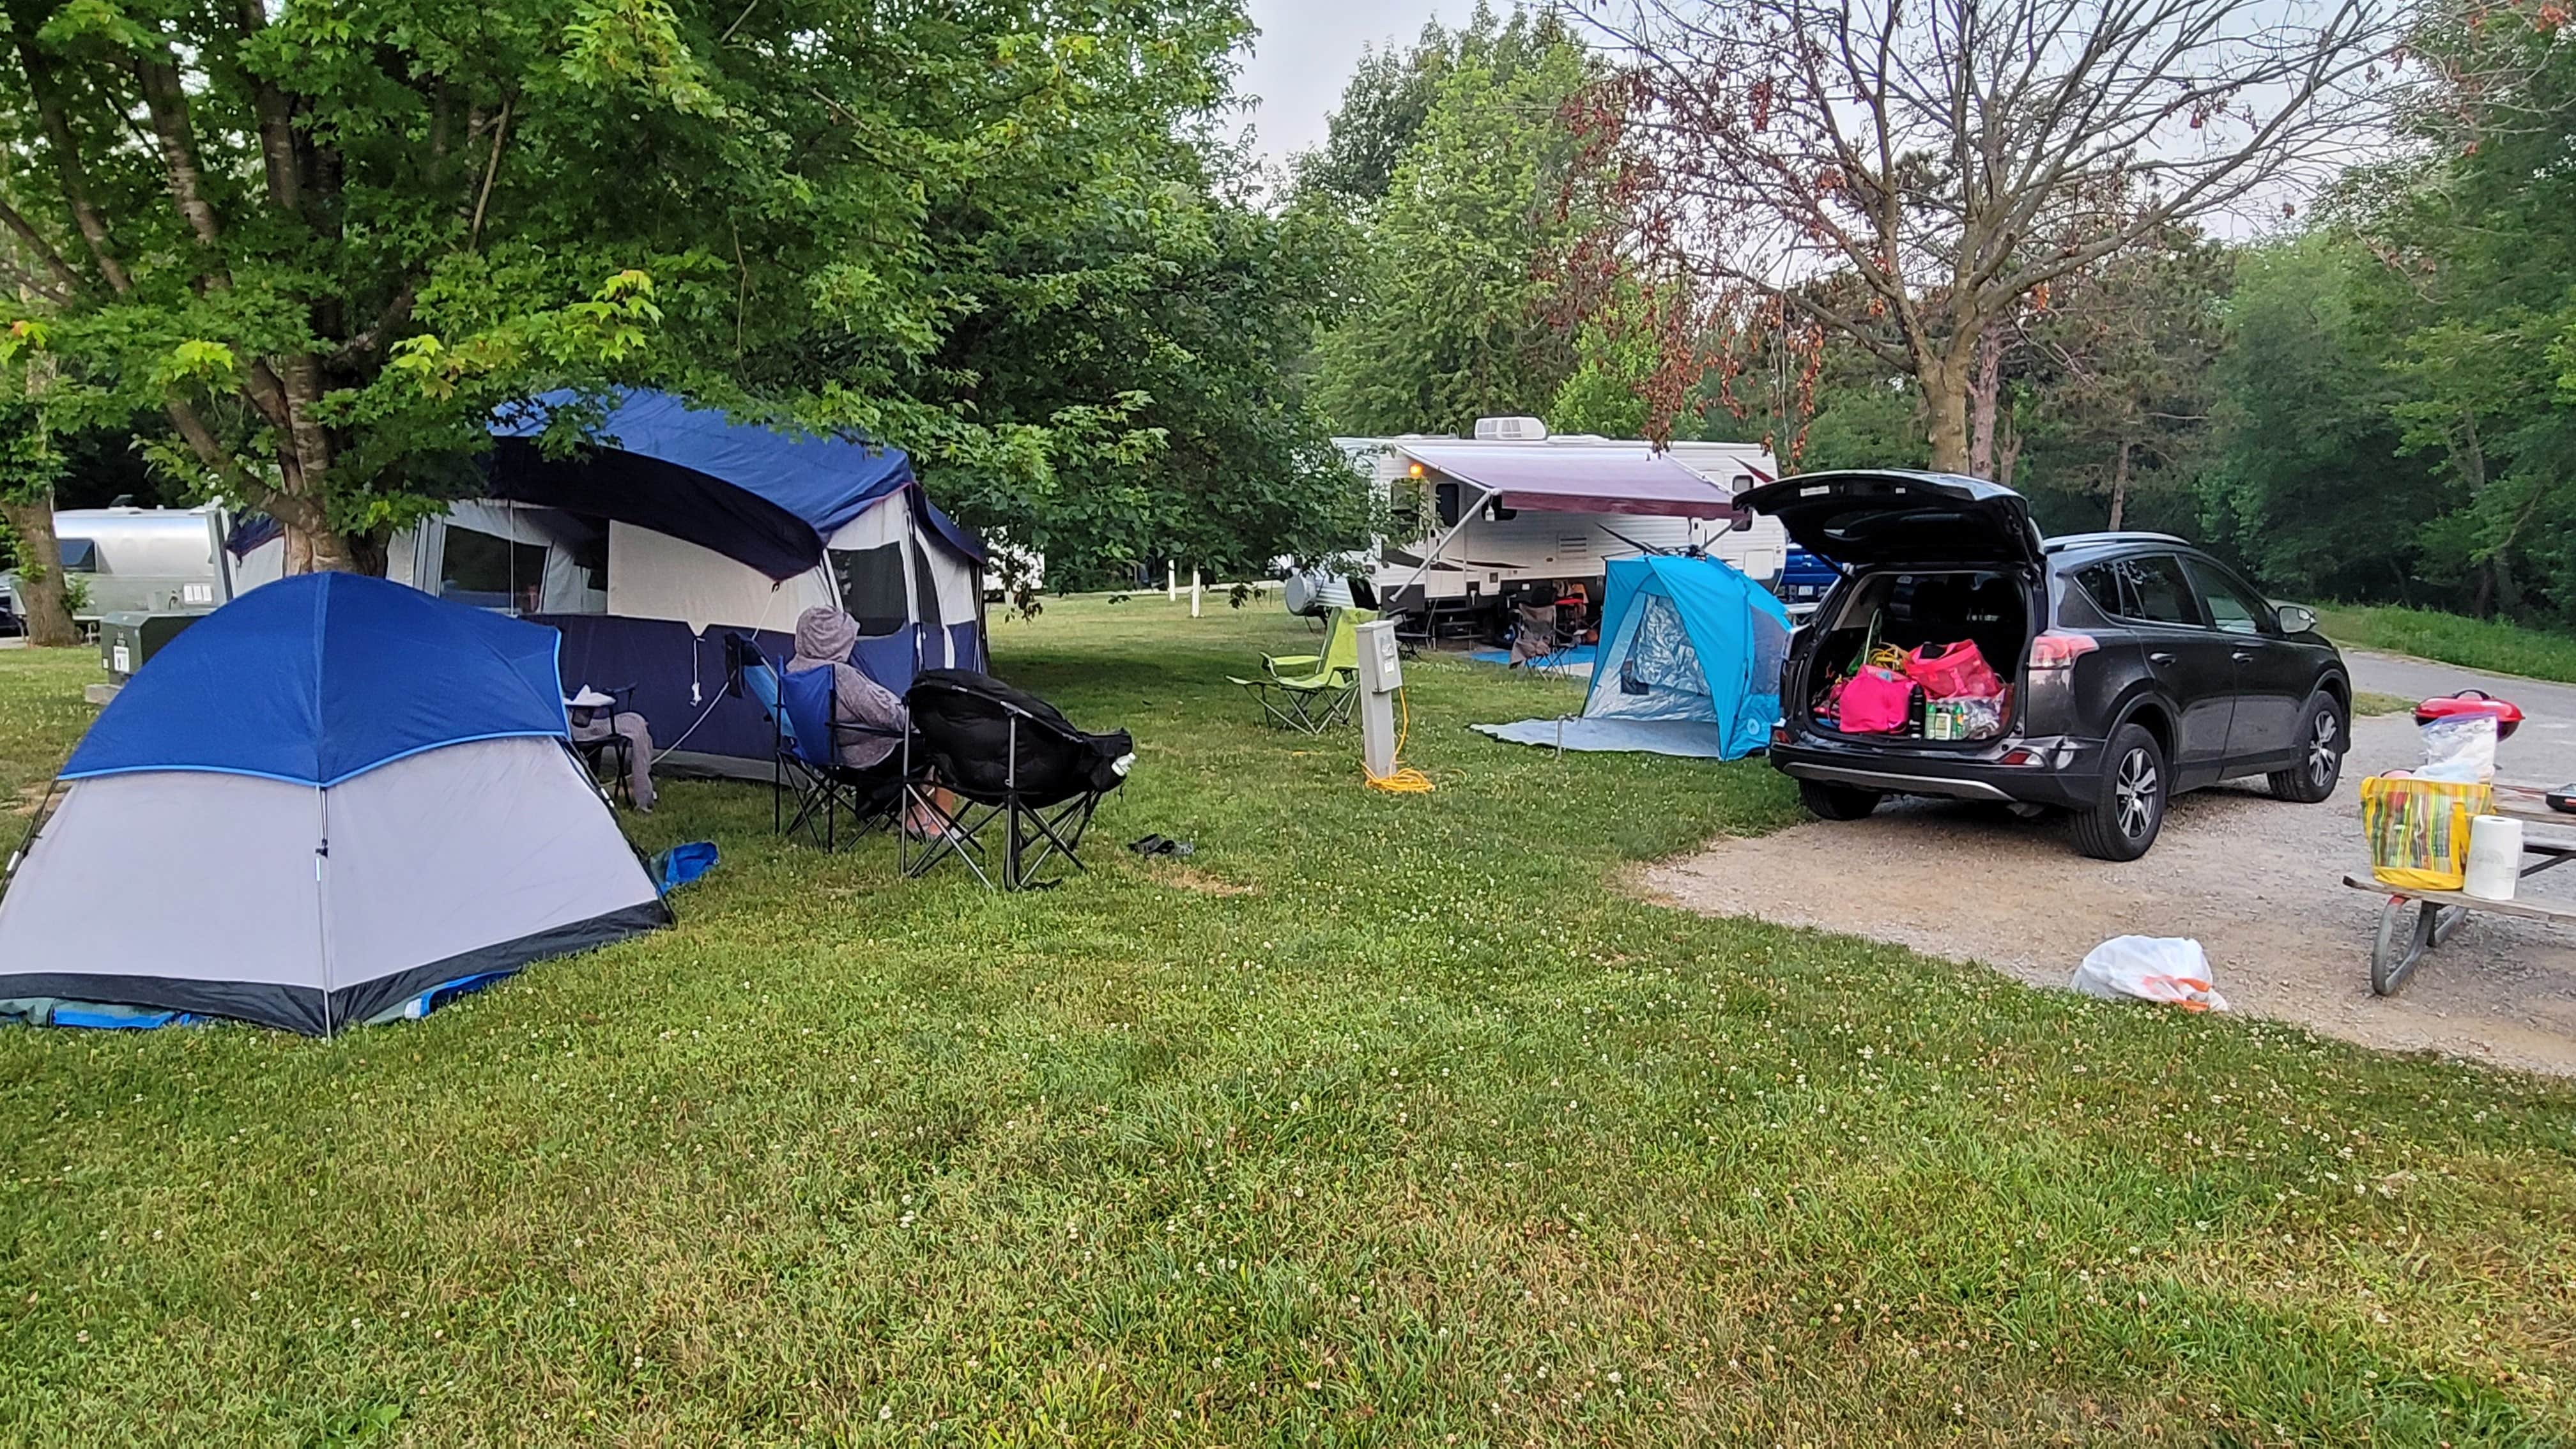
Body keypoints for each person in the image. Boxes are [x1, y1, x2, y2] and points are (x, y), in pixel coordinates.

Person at [788, 606, 954, 836]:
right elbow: (889, 717)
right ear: (835, 642)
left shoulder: (794, 671)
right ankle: (941, 825)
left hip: (826, 758)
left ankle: (918, 815)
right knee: (944, 740)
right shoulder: (839, 676)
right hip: (868, 760)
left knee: (926, 742)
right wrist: (921, 719)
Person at [565, 687, 656, 811]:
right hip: (583, 731)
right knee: (636, 726)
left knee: (637, 722)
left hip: (587, 724)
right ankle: (643, 793)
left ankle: (644, 787)